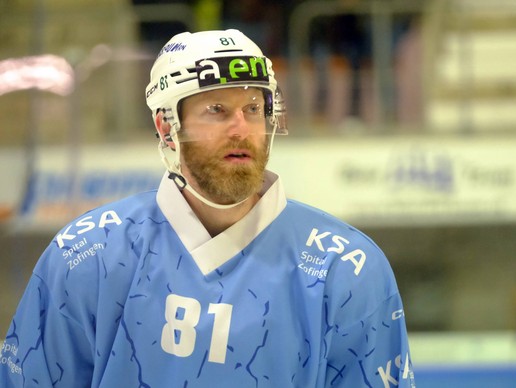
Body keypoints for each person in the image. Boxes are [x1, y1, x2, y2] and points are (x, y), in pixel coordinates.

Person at [0, 29, 415, 387]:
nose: (241, 128)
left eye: (253, 109)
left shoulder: (346, 267)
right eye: (216, 110)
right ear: (167, 126)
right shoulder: (86, 255)